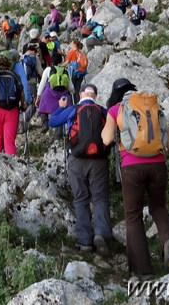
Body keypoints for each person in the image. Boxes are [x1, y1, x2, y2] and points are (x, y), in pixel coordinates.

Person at [101, 78, 169, 279]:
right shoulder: (151, 106)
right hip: (158, 164)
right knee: (158, 206)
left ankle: (143, 270)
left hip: (131, 167)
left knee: (133, 216)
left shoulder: (116, 109)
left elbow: (107, 139)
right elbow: (167, 133)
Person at [48, 83, 112, 254]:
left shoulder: (74, 109)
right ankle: (102, 235)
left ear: (81, 95)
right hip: (99, 161)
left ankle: (84, 241)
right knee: (100, 198)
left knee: (80, 198)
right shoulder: (103, 111)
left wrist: (61, 108)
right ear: (96, 96)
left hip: (77, 159)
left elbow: (52, 122)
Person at [35, 56, 73, 133]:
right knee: (61, 112)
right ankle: (59, 134)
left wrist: (38, 96)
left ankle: (45, 123)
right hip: (63, 95)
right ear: (61, 61)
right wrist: (72, 92)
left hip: (49, 94)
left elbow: (42, 84)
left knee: (43, 107)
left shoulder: (48, 69)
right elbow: (71, 87)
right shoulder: (65, 71)